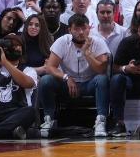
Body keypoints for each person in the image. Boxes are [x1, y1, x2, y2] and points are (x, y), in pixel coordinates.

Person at [35, 11, 111, 139]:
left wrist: (87, 53)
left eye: (84, 28)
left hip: (89, 83)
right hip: (67, 84)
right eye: (76, 29)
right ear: (69, 30)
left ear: (89, 28)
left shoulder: (98, 42)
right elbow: (50, 67)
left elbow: (101, 70)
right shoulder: (62, 41)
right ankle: (49, 119)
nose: (81, 32)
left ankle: (101, 121)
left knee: (102, 79)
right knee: (46, 80)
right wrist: (66, 77)